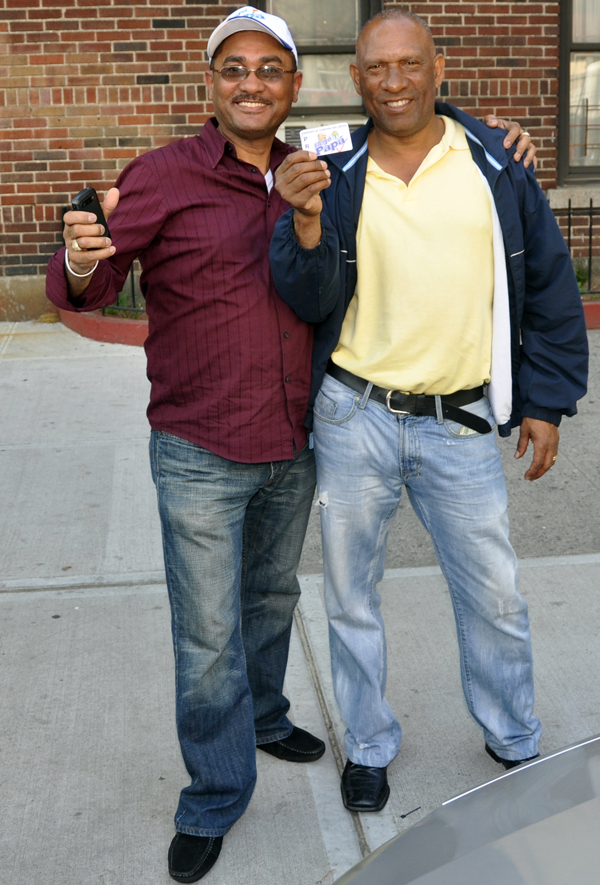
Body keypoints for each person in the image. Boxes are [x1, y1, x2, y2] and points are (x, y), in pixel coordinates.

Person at [44, 6, 537, 880]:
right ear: (211, 82)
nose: (251, 84)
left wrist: (494, 135)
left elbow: (408, 107)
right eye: (234, 69)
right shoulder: (161, 175)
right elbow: (93, 281)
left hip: (295, 438)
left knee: (271, 599)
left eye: (270, 70)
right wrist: (82, 258)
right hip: (197, 443)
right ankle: (215, 791)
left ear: (295, 86)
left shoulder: (323, 158)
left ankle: (265, 713)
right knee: (207, 634)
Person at [270, 8, 588, 816]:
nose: (394, 82)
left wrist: (546, 401)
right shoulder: (331, 167)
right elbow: (304, 297)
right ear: (358, 78)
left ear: (437, 68)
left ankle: (514, 736)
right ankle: (370, 745)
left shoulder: (493, 160)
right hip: (356, 414)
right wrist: (303, 227)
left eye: (410, 64)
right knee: (350, 594)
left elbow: (549, 285)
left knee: (494, 593)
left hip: (461, 421)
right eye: (378, 68)